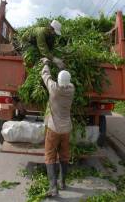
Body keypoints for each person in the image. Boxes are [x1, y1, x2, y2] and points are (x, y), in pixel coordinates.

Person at [40, 57, 75, 197]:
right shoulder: (72, 89)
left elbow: (46, 76)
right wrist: (61, 66)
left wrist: (46, 63)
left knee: (50, 155)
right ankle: (62, 182)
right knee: (64, 155)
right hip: (66, 129)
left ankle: (53, 187)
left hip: (54, 128)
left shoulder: (54, 89)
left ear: (59, 81)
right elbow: (66, 79)